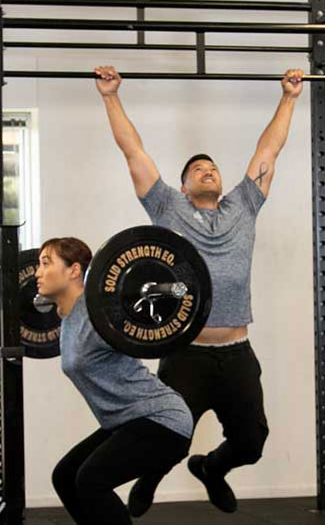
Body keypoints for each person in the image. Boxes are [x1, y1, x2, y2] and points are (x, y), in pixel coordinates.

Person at [94, 65, 303, 515]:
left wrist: (288, 98)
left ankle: (211, 469)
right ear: (183, 185)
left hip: (236, 350)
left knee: (252, 441)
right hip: (186, 352)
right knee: (166, 436)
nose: (207, 171)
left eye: (213, 168)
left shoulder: (244, 205)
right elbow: (133, 151)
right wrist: (111, 96)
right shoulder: (167, 207)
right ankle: (149, 478)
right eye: (197, 168)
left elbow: (270, 148)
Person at [41, 237, 193, 525]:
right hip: (126, 421)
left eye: (46, 263)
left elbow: (170, 292)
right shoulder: (67, 316)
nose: (37, 272)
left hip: (161, 419)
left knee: (90, 480)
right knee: (66, 476)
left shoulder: (102, 313)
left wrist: (167, 289)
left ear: (74, 271)